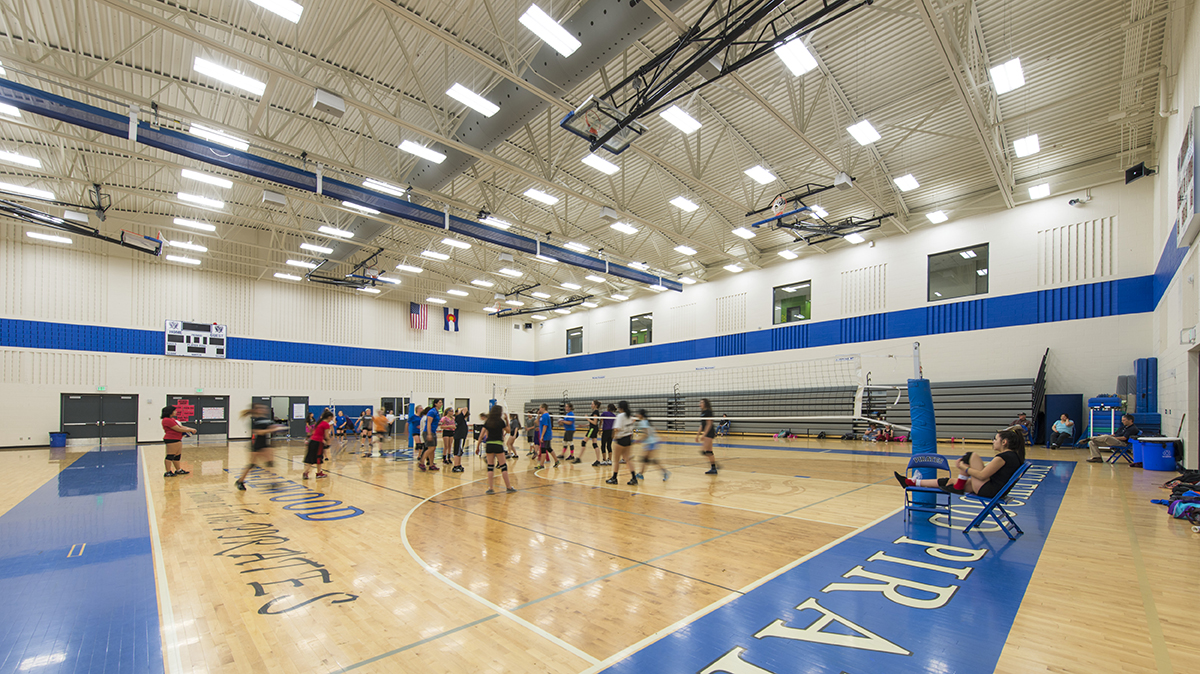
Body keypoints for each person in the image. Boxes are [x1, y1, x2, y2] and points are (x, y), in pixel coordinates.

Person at [896, 428, 1025, 497]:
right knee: (951, 481)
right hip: (995, 489)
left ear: (1004, 442)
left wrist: (965, 468)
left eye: (995, 439)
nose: (993, 442)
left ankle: (958, 486)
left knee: (970, 456)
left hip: (990, 491)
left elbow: (982, 476)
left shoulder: (1003, 457)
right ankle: (910, 482)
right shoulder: (1013, 456)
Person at [236, 403, 285, 490]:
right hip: (257, 445)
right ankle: (240, 481)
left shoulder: (266, 420)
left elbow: (272, 426)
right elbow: (259, 432)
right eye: (261, 408)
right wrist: (271, 429)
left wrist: (279, 427)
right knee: (252, 464)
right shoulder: (255, 421)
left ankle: (273, 482)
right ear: (257, 410)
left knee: (270, 463)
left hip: (265, 444)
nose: (263, 410)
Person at [482, 405, 517, 495]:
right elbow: (508, 430)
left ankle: (490, 488)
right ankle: (508, 487)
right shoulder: (500, 421)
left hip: (489, 444)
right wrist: (507, 420)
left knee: (490, 467)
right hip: (498, 444)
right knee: (503, 466)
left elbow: (484, 434)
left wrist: (478, 445)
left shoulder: (488, 421)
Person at [607, 401, 638, 485]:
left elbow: (616, 428)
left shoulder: (620, 416)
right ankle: (634, 478)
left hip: (621, 439)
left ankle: (614, 478)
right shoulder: (629, 416)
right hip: (628, 438)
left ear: (621, 408)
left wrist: (614, 436)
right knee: (628, 459)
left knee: (616, 460)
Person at [161, 405, 196, 477]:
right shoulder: (166, 420)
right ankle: (168, 471)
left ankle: (178, 470)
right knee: (170, 455)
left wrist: (190, 428)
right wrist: (190, 430)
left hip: (177, 438)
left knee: (177, 455)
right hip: (171, 439)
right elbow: (178, 429)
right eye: (174, 411)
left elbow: (180, 427)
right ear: (170, 412)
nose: (176, 412)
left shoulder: (172, 419)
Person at [634, 409, 669, 481]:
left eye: (638, 414)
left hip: (651, 443)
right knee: (646, 459)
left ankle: (665, 473)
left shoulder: (643, 422)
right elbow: (655, 429)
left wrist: (638, 440)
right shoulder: (647, 421)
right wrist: (661, 436)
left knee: (649, 460)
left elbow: (646, 434)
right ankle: (641, 474)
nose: (636, 415)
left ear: (641, 415)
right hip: (652, 442)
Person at [304, 410, 333, 479]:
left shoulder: (319, 422)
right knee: (318, 458)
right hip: (318, 442)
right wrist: (328, 442)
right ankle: (318, 473)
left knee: (311, 458)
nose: (331, 420)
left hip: (312, 441)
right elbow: (326, 436)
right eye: (331, 418)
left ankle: (307, 472)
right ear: (329, 417)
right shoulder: (326, 424)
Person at [696, 398, 718, 475]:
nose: (700, 404)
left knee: (703, 450)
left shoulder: (708, 412)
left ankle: (715, 466)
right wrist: (697, 435)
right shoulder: (703, 412)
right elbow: (702, 425)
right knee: (709, 451)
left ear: (705, 403)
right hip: (707, 433)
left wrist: (704, 434)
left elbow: (709, 424)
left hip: (709, 432)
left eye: (701, 402)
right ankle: (714, 468)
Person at [536, 403, 559, 469]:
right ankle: (557, 461)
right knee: (549, 448)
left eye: (540, 408)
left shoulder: (545, 416)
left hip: (546, 435)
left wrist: (542, 436)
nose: (539, 409)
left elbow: (545, 426)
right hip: (546, 435)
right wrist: (538, 415)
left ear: (543, 408)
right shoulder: (543, 416)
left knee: (543, 449)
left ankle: (541, 465)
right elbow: (538, 423)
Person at [452, 406, 469, 473]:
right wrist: (460, 410)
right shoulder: (459, 417)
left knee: (459, 452)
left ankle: (458, 464)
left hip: (460, 437)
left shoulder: (459, 419)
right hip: (460, 437)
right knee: (457, 452)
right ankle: (456, 466)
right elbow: (465, 408)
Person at [586, 400, 602, 466]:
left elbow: (595, 423)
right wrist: (584, 425)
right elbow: (592, 423)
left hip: (592, 430)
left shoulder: (596, 412)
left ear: (595, 405)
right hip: (593, 429)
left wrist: (587, 418)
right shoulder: (595, 412)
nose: (591, 405)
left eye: (592, 404)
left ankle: (578, 458)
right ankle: (598, 460)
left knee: (584, 442)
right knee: (594, 444)